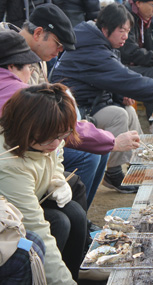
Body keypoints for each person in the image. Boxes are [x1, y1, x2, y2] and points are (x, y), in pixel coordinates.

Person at [51, 3, 153, 191]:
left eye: (128, 31)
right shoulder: (93, 49)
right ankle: (114, 174)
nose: (125, 35)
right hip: (74, 111)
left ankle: (139, 165)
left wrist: (119, 94)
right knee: (118, 115)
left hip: (90, 102)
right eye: (121, 30)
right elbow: (124, 77)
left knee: (129, 112)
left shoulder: (96, 39)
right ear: (105, 28)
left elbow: (104, 78)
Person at [14, 3, 142, 197]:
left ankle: (81, 214)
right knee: (89, 156)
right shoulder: (14, 58)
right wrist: (111, 141)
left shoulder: (36, 55)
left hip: (48, 127)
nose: (59, 52)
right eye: (58, 44)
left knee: (99, 150)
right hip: (23, 141)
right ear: (39, 33)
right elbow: (37, 113)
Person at [0, 83, 86, 284]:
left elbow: (57, 155)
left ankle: (76, 272)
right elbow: (35, 226)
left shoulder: (47, 135)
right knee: (59, 222)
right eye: (50, 138)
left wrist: (56, 178)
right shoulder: (8, 164)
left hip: (31, 199)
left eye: (62, 135)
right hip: (10, 222)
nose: (56, 143)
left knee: (74, 212)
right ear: (25, 127)